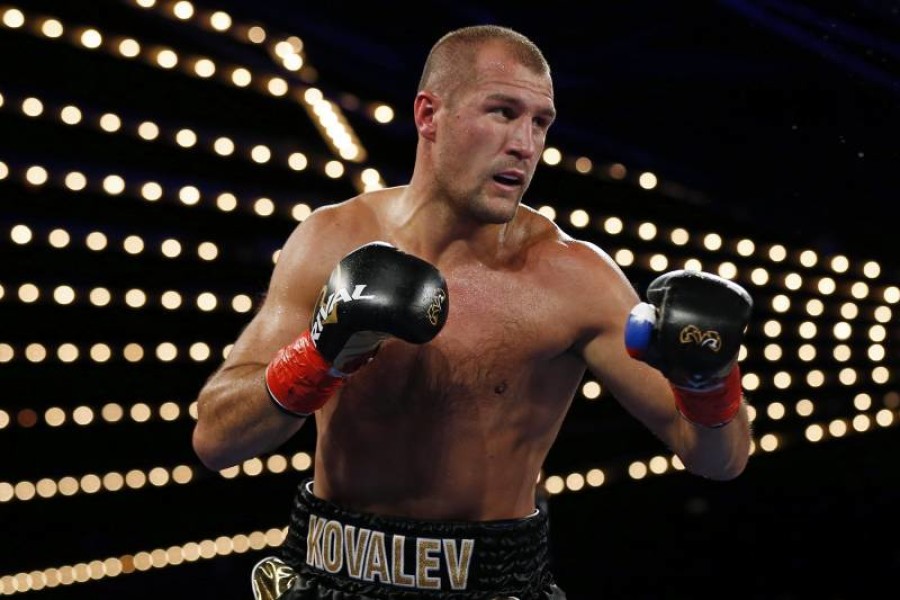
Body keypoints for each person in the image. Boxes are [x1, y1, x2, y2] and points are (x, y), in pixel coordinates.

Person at [192, 24, 754, 600]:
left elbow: (720, 459)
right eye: (503, 112)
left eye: (540, 122)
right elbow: (216, 440)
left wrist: (709, 383)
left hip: (489, 584)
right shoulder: (330, 238)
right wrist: (319, 356)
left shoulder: (576, 279)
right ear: (428, 115)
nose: (525, 144)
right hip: (326, 572)